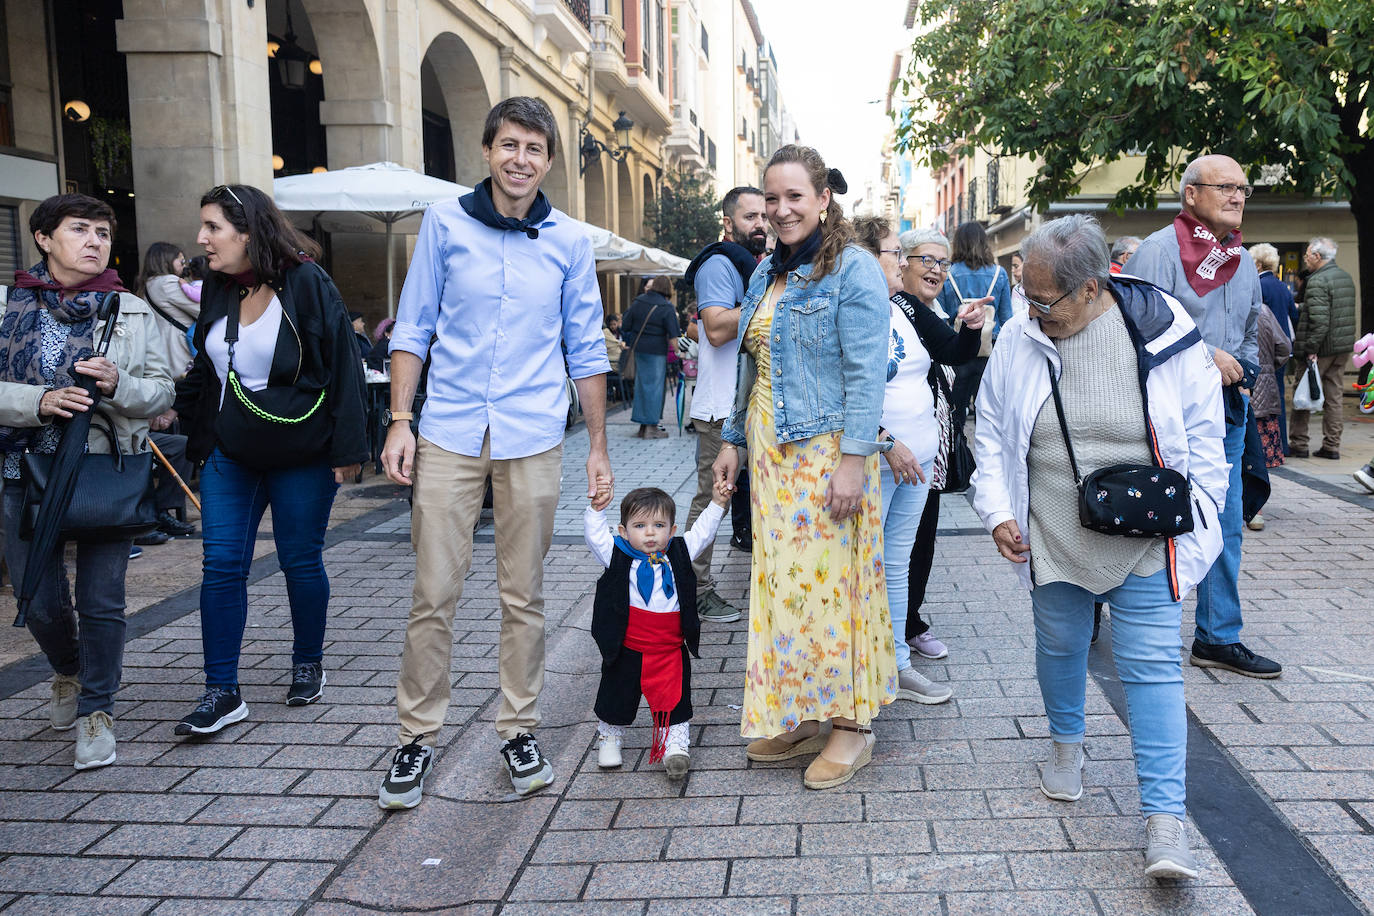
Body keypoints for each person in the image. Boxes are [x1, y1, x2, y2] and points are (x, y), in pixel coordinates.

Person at [973, 214, 1229, 880]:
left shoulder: (1164, 331)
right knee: (1059, 644)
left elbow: (1205, 440)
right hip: (1054, 530)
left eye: (1044, 299)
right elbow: (994, 430)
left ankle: (1166, 825)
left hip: (1147, 536)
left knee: (1152, 670)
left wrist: (1201, 525)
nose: (1032, 310)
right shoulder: (1017, 335)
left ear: (1092, 287)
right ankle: (1066, 747)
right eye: (1024, 294)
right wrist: (998, 508)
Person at [377, 97, 611, 809]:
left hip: (534, 433)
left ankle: (519, 726)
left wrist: (600, 445)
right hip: (448, 428)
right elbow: (412, 328)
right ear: (488, 150)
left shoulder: (570, 241)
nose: (520, 159)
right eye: (509, 144)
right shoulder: (445, 222)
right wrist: (398, 419)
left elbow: (587, 346)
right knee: (434, 592)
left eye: (534, 149)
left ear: (547, 161)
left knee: (525, 596)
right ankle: (416, 737)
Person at [711, 144, 894, 791]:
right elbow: (750, 363)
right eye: (771, 201)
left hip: (827, 456)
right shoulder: (765, 273)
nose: (781, 210)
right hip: (772, 462)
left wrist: (852, 462)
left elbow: (868, 372)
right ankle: (808, 715)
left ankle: (851, 726)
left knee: (836, 589)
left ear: (823, 198)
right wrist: (732, 439)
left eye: (795, 197)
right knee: (788, 593)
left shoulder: (853, 270)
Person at [168, 183, 367, 737]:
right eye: (203, 227)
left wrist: (350, 449)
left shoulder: (305, 282)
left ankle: (308, 662)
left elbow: (345, 365)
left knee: (299, 561)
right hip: (231, 455)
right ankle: (221, 690)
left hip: (302, 451)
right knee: (221, 564)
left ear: (248, 231)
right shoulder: (216, 288)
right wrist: (183, 419)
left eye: (213, 227)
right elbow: (208, 368)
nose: (202, 239)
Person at [0, 193, 175, 768]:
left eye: (103, 232)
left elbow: (162, 392)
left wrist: (118, 383)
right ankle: (68, 670)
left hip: (105, 469)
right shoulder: (8, 307)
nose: (96, 241)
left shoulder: (130, 310)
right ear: (44, 239)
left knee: (101, 599)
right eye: (80, 230)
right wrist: (40, 400)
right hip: (20, 470)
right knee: (40, 601)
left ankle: (97, 709)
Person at [1128, 154, 1280, 679]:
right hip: (1168, 417)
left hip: (1227, 412)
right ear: (1191, 194)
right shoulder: (1158, 251)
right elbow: (1137, 328)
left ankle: (1218, 636)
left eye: (1243, 188)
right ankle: (1138, 621)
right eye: (1226, 188)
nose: (1238, 197)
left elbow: (1247, 334)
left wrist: (1239, 369)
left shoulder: (1239, 260)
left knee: (1225, 525)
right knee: (1154, 519)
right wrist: (1204, 357)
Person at [855, 216, 980, 702]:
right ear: (869, 260)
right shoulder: (856, 308)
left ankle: (899, 665)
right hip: (877, 462)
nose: (905, 262)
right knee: (867, 563)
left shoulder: (904, 304)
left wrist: (971, 327)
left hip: (918, 464)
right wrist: (887, 441)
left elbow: (951, 349)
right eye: (895, 253)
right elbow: (845, 392)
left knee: (898, 563)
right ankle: (864, 667)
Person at [585, 483, 728, 779]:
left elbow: (703, 531)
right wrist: (596, 510)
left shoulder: (679, 551)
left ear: (672, 529)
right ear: (624, 531)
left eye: (658, 525)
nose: (650, 533)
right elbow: (595, 536)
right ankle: (610, 737)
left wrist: (717, 502)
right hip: (627, 646)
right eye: (640, 525)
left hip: (669, 648)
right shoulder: (616, 554)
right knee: (616, 693)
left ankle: (675, 744)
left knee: (675, 697)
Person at [893, 227, 986, 663]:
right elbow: (952, 351)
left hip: (927, 449)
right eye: (925, 260)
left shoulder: (928, 309)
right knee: (909, 543)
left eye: (942, 263)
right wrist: (967, 330)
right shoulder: (904, 306)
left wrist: (969, 325)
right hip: (903, 451)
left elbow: (956, 352)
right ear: (903, 263)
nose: (935, 269)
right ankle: (906, 625)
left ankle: (908, 622)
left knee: (922, 538)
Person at [681, 185, 768, 625]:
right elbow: (714, 329)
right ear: (729, 223)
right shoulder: (719, 264)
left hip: (754, 404)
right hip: (721, 408)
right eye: (750, 217)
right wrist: (772, 304)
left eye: (763, 216)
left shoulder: (756, 266)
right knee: (712, 496)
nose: (761, 224)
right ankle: (693, 590)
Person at [137, 241, 201, 542]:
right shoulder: (165, 282)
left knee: (176, 439)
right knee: (179, 433)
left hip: (169, 364)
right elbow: (202, 308)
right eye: (179, 258)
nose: (183, 263)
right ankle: (161, 511)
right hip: (177, 364)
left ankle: (161, 512)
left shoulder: (148, 286)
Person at [938, 221, 1012, 435]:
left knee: (956, 412)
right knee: (989, 414)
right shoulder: (999, 274)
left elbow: (942, 317)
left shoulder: (949, 274)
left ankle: (959, 459)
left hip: (958, 351)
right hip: (991, 352)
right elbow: (1007, 318)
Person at [1290, 236, 1357, 459]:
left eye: (1308, 255)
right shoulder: (1345, 277)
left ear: (1318, 257)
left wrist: (1310, 348)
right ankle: (1332, 445)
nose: (1306, 259)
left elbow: (1320, 320)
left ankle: (1299, 443)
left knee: (1303, 394)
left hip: (1320, 349)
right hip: (1342, 348)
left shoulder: (1317, 281)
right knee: (1334, 397)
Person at [1250, 243, 1298, 454]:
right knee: (1277, 398)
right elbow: (1293, 316)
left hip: (1261, 347)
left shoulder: (1257, 286)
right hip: (1280, 349)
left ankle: (1261, 448)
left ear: (1258, 264)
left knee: (1259, 401)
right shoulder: (1282, 287)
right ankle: (1281, 445)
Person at [1246, 305, 1291, 531]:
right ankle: (1257, 510)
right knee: (1259, 454)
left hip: (1236, 388)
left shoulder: (1225, 307)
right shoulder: (1264, 311)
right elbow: (1284, 347)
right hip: (1265, 391)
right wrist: (1267, 369)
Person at [621, 276, 680, 439]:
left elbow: (625, 325)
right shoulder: (666, 307)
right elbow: (674, 335)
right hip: (656, 352)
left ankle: (642, 426)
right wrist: (678, 353)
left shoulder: (639, 301)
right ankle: (651, 427)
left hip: (639, 349)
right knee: (655, 388)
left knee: (641, 387)